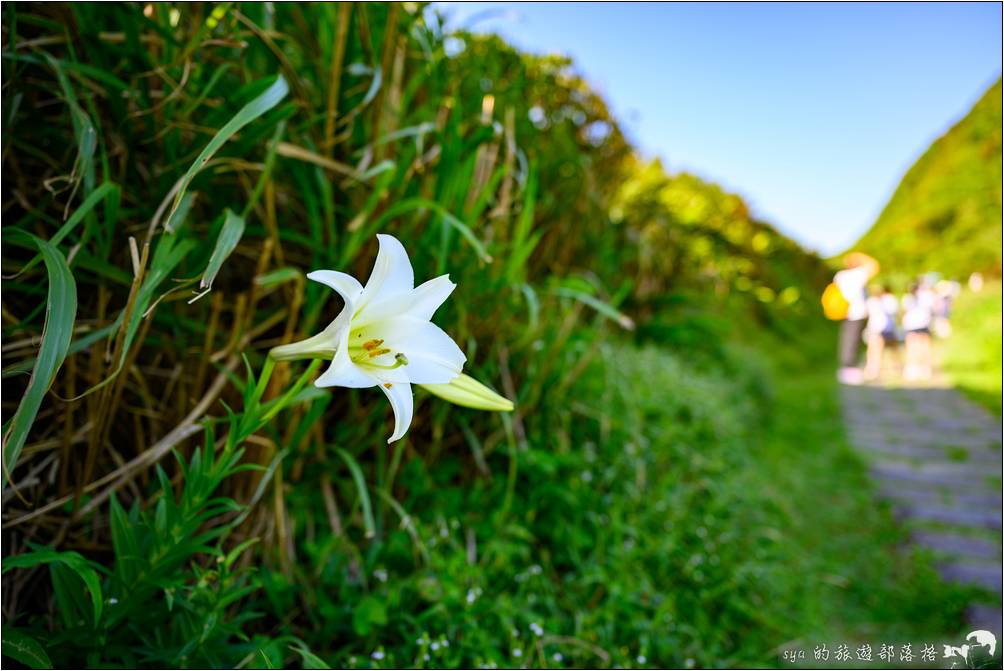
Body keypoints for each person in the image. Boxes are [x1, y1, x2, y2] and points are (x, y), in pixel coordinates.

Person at [833, 252, 880, 384]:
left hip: (844, 312)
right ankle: (850, 372)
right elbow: (874, 266)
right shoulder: (858, 274)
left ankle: (846, 370)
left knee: (847, 340)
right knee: (854, 342)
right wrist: (860, 256)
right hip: (856, 312)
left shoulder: (840, 275)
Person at [862, 285, 899, 381]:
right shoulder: (873, 301)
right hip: (877, 328)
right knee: (875, 350)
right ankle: (873, 370)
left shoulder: (886, 300)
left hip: (884, 328)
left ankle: (876, 370)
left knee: (879, 350)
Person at [901, 280, 935, 381]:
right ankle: (922, 369)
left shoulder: (909, 298)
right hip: (919, 324)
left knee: (914, 348)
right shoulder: (925, 296)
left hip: (913, 325)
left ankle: (916, 369)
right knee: (922, 348)